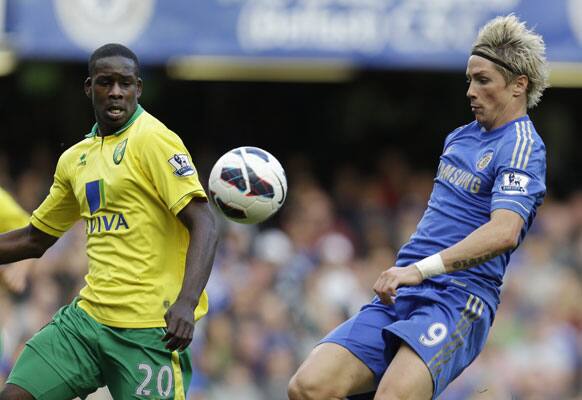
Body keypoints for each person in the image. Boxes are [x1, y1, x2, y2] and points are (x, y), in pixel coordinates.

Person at [288, 14, 549, 400]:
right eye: (469, 80)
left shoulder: (524, 147)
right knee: (307, 387)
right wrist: (410, 270)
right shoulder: (459, 139)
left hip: (458, 298)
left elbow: (504, 231)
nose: (470, 91)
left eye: (483, 80)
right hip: (404, 290)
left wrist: (419, 269)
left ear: (518, 85)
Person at [0, 43, 219, 399]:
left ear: (138, 89)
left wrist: (187, 302)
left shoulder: (154, 140)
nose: (115, 91)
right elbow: (34, 238)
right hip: (86, 323)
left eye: (125, 83)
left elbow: (205, 223)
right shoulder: (76, 159)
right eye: (105, 82)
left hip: (149, 331)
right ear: (89, 87)